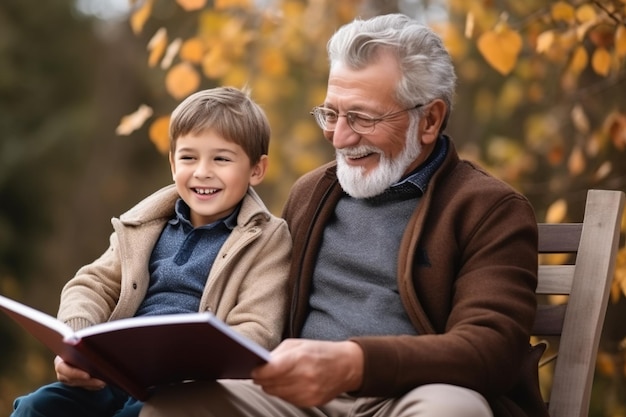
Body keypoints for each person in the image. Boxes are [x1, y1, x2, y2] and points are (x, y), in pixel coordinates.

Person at [140, 13, 547, 417]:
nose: (340, 137)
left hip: (413, 397)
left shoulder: (488, 209)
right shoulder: (311, 193)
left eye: (362, 118)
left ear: (430, 120)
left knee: (453, 410)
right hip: (299, 398)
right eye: (331, 114)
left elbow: (491, 348)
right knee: (175, 405)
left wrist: (355, 363)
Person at [11, 86, 292, 417]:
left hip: (187, 389)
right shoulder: (144, 226)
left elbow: (257, 329)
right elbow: (91, 284)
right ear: (173, 164)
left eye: (221, 158)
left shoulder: (268, 239)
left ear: (257, 170)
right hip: (114, 376)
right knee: (36, 408)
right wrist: (76, 340)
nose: (202, 171)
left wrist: (191, 361)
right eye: (189, 157)